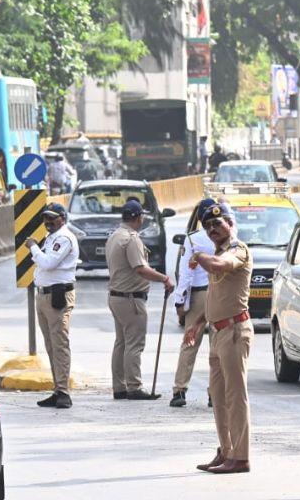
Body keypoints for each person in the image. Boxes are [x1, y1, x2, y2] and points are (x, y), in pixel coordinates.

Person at [182, 202, 253, 475]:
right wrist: (198, 323)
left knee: (236, 396)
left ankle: (241, 456)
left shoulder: (237, 251)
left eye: (217, 223)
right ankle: (226, 450)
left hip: (235, 332)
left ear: (230, 223)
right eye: (208, 226)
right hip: (218, 331)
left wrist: (198, 257)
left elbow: (219, 266)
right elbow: (215, 296)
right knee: (219, 397)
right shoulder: (217, 251)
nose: (213, 229)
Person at [104, 199, 174, 400]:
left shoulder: (115, 235)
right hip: (131, 299)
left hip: (117, 297)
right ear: (137, 217)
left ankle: (120, 387)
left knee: (122, 343)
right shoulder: (131, 238)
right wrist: (164, 279)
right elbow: (140, 268)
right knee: (134, 344)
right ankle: (134, 386)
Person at [26, 202, 79, 409]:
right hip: (45, 296)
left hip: (57, 296)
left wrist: (32, 246)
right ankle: (58, 389)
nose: (48, 222)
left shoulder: (64, 238)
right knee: (50, 346)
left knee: (59, 345)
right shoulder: (52, 237)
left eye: (52, 218)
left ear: (62, 219)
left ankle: (64, 392)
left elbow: (48, 263)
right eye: (45, 218)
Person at [169, 198, 218, 408]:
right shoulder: (225, 238)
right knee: (217, 347)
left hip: (198, 296)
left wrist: (180, 301)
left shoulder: (193, 239)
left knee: (190, 342)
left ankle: (180, 390)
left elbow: (186, 274)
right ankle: (214, 393)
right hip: (219, 295)